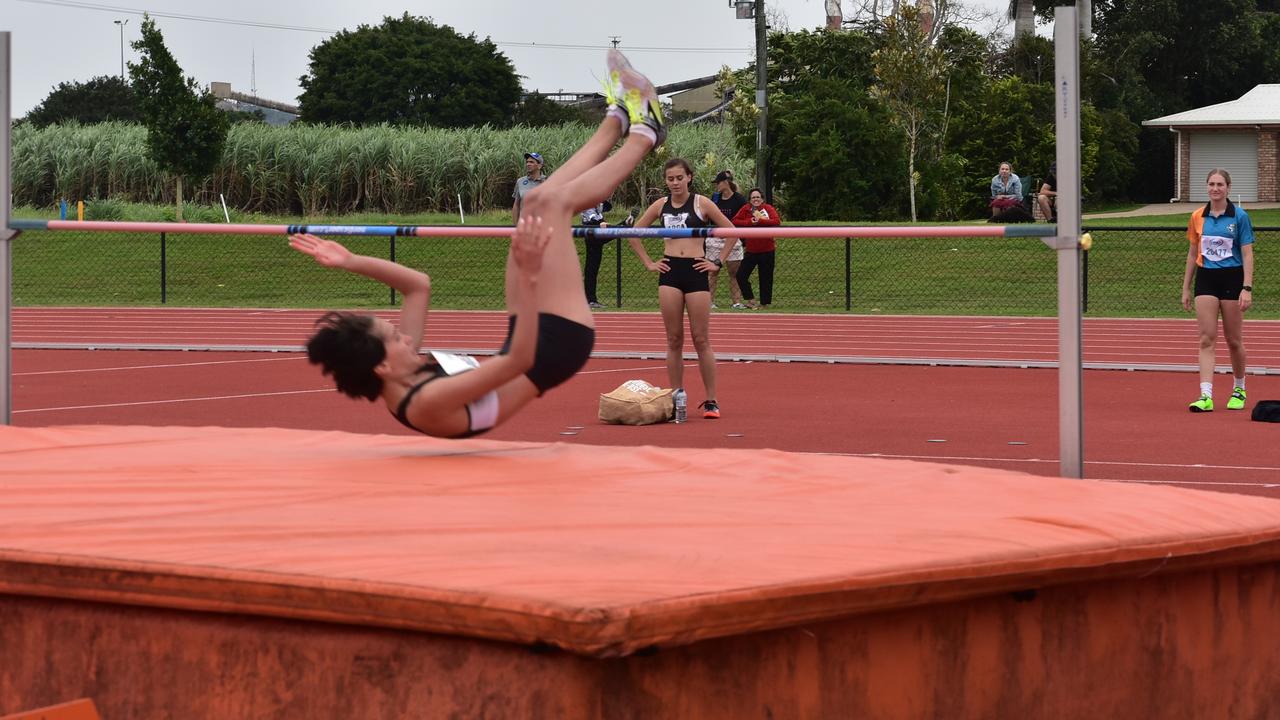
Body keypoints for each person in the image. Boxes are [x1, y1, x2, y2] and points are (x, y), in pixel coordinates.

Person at [294, 50, 666, 438]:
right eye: (394, 338)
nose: (405, 337)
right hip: (555, 347)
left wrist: (350, 259)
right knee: (553, 204)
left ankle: (618, 117)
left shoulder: (396, 369)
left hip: (523, 339)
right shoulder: (426, 401)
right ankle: (644, 135)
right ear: (381, 367)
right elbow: (521, 360)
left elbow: (416, 284)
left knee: (536, 204)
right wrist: (530, 273)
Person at [628, 158, 738, 419]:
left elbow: (732, 231)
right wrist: (649, 263)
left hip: (696, 271)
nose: (675, 183)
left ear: (689, 177)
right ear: (665, 181)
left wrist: (717, 262)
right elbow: (634, 232)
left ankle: (711, 400)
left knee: (701, 339)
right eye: (670, 179)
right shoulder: (661, 205)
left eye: (679, 178)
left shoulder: (702, 203)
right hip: (670, 271)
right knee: (673, 339)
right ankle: (677, 396)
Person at [1182, 168, 1255, 413]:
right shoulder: (1197, 216)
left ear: (1228, 188)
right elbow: (1193, 254)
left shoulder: (1240, 217)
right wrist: (1186, 288)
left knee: (1234, 340)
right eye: (1211, 184)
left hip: (1232, 278)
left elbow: (1247, 253)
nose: (1215, 188)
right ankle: (1205, 395)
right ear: (1207, 187)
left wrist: (1246, 287)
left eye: (1220, 184)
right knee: (1206, 338)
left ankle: (1239, 388)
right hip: (1207, 278)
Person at [732, 188, 780, 309]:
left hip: (767, 249)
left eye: (758, 197)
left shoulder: (768, 208)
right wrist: (750, 222)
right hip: (751, 250)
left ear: (762, 199)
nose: (756, 199)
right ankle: (751, 300)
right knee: (741, 275)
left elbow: (776, 221)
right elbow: (735, 221)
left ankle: (764, 303)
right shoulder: (746, 209)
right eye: (753, 197)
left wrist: (760, 221)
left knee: (766, 278)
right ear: (750, 200)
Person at [708, 170, 747, 309]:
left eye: (718, 182)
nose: (716, 186)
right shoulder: (715, 198)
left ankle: (736, 302)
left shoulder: (739, 199)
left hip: (733, 239)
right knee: (713, 272)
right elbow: (709, 216)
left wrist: (742, 239)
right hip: (715, 239)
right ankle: (709, 302)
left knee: (734, 273)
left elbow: (745, 219)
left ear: (726, 182)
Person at [580, 199, 613, 309]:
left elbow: (608, 207)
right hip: (591, 229)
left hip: (599, 228)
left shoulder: (597, 202)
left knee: (594, 266)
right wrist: (600, 223)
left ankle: (591, 300)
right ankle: (590, 300)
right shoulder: (586, 202)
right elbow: (592, 217)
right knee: (591, 268)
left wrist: (601, 198)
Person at [511, 151, 546, 224]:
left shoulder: (548, 182)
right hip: (524, 226)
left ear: (539, 166)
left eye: (531, 162)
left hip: (542, 227)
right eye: (527, 162)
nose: (528, 164)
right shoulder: (520, 182)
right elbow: (516, 205)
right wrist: (515, 226)